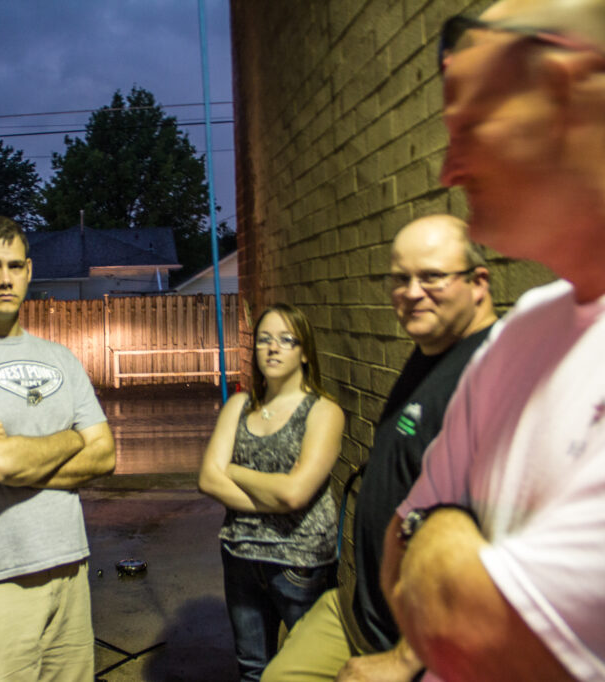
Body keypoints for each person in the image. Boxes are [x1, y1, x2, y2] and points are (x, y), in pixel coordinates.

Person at [382, 2, 605, 680]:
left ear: (563, 90)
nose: (449, 170)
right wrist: (446, 553)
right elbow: (398, 549)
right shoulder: (525, 328)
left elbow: (463, 626)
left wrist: (446, 527)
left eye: (469, 127)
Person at [261, 215, 497, 682]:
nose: (412, 291)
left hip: (417, 642)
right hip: (362, 610)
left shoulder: (489, 373)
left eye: (431, 276)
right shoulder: (432, 347)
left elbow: (492, 539)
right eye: (400, 278)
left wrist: (407, 657)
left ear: (478, 283)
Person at [0, 215, 116, 680]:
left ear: (29, 271)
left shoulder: (60, 359)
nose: (5, 279)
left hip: (68, 575)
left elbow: (105, 455)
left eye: (14, 266)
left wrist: (21, 454)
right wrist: (72, 440)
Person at [198, 302, 346, 681]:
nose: (273, 348)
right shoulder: (239, 405)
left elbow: (296, 494)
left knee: (311, 672)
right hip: (240, 555)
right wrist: (274, 498)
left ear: (304, 352)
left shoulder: (323, 412)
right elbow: (207, 480)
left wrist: (232, 469)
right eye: (264, 339)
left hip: (300, 563)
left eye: (285, 339)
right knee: (252, 671)